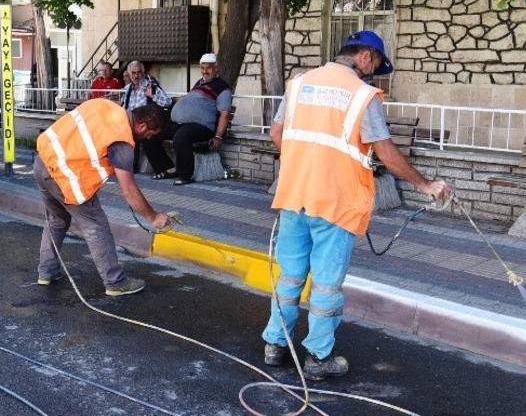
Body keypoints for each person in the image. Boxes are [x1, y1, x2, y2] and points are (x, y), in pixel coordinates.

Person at [262, 31, 451, 380]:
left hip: (294, 195)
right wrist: (426, 185)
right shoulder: (362, 95)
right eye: (376, 63)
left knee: (288, 277)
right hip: (335, 203)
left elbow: (277, 133)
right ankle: (318, 358)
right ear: (365, 56)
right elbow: (387, 154)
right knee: (326, 286)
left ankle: (276, 344)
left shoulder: (299, 84)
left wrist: (305, 164)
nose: (374, 72)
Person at [35, 99, 170, 296]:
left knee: (56, 220)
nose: (149, 138)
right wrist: (153, 217)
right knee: (96, 226)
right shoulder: (122, 139)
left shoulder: (103, 105)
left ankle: (46, 272)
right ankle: (115, 282)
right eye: (150, 133)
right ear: (141, 125)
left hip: (42, 161)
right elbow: (129, 190)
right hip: (65, 178)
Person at [143, 53, 232, 184]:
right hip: (181, 123)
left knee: (181, 137)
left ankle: (185, 176)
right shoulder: (199, 83)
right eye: (202, 68)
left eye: (208, 68)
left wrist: (218, 137)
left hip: (202, 126)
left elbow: (224, 114)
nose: (204, 71)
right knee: (150, 134)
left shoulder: (222, 88)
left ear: (216, 68)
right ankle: (167, 168)